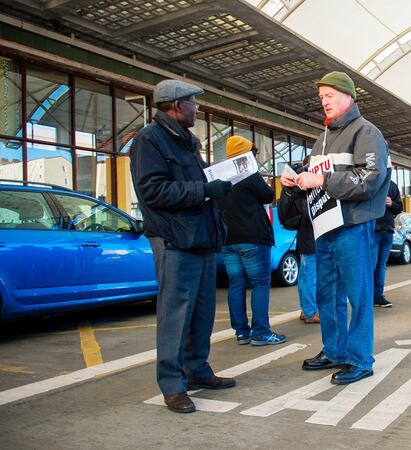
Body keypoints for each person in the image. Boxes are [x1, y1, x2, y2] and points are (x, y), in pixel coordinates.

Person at [130, 79, 234, 414]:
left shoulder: (187, 143)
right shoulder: (149, 140)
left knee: (202, 313)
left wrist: (216, 185)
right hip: (175, 240)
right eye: (193, 102)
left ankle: (198, 369)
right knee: (175, 316)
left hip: (200, 239)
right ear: (176, 105)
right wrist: (204, 190)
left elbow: (195, 184)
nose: (197, 108)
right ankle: (173, 385)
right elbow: (153, 191)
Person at [283, 71, 389, 385]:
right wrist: (298, 178)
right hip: (326, 226)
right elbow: (317, 175)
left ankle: (359, 359)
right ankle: (334, 350)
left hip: (353, 225)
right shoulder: (323, 137)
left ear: (347, 96)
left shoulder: (367, 133)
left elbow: (370, 176)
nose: (324, 102)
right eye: (321, 98)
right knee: (327, 292)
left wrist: (323, 180)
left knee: (357, 293)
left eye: (329, 96)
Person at [218, 136, 285, 346]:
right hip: (252, 238)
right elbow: (268, 195)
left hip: (228, 240)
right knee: (259, 284)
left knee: (236, 284)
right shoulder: (247, 172)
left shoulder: (219, 176)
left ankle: (241, 332)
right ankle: (261, 332)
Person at [278, 158, 319, 324]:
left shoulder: (293, 186)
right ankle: (310, 311)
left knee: (305, 275)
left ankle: (306, 309)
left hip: (304, 236)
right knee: (310, 276)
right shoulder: (307, 186)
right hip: (311, 235)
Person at [373, 179, 403, 308]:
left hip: (388, 229)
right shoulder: (371, 180)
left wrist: (392, 203)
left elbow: (400, 207)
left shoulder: (392, 185)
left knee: (380, 265)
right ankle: (372, 296)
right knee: (373, 264)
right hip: (373, 229)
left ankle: (378, 296)